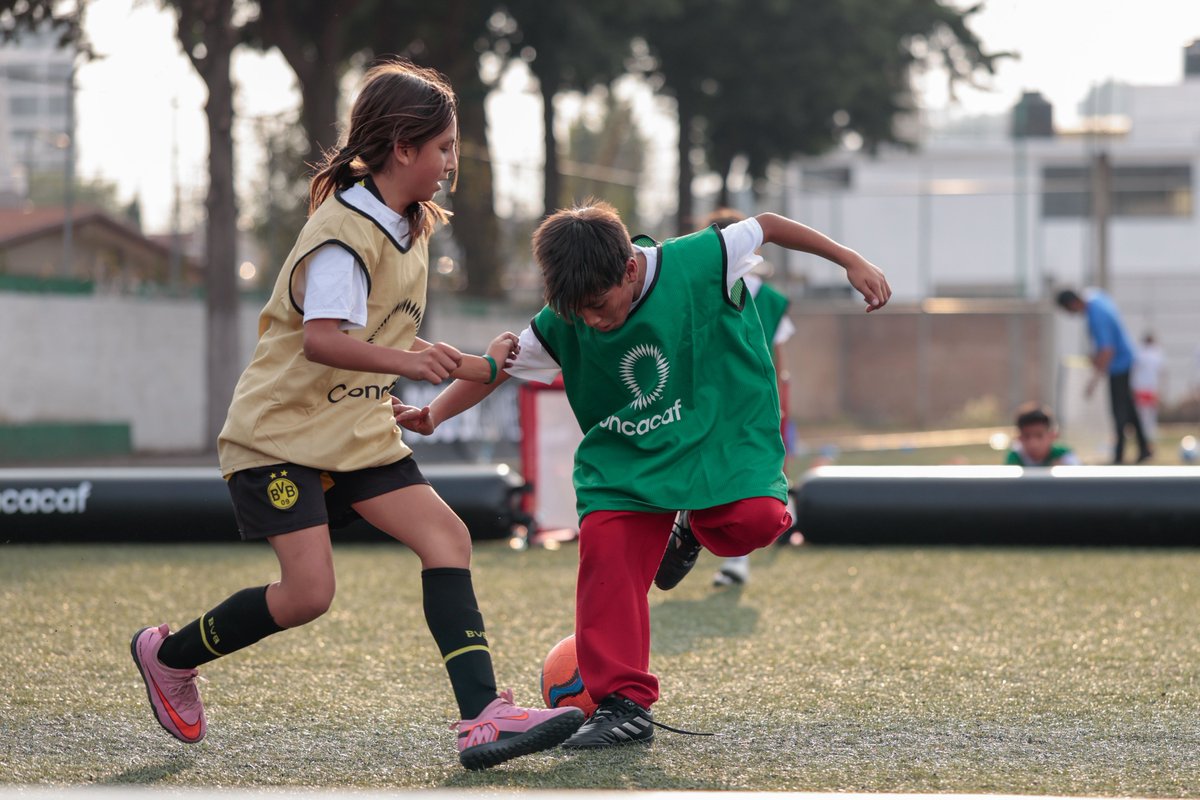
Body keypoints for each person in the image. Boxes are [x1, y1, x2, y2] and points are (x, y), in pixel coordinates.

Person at [129, 59, 583, 771]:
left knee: (447, 538)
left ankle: (483, 719)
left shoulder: (414, 227)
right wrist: (413, 365)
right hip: (278, 435)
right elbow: (324, 339)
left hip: (358, 434)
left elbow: (397, 339)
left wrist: (476, 367)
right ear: (403, 149)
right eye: (442, 149)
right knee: (309, 595)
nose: (450, 163)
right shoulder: (344, 233)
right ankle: (169, 656)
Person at [393, 200, 890, 748]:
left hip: (718, 436)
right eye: (577, 311)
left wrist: (850, 260)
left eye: (599, 306)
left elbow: (768, 226)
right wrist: (433, 414)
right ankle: (625, 704)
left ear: (630, 268)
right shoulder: (565, 318)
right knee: (606, 558)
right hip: (625, 461)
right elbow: (497, 370)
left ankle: (690, 528)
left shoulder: (705, 255)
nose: (591, 321)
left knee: (757, 521)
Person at [701, 208, 796, 588]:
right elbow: (780, 360)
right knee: (737, 478)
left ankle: (730, 555)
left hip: (721, 400)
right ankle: (721, 550)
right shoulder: (768, 298)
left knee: (734, 478)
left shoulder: (705, 289)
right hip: (743, 402)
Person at [1055, 287, 1152, 464]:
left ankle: (1119, 454)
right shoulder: (1095, 297)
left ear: (1072, 304)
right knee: (1129, 408)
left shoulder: (1096, 315)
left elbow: (1107, 350)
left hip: (1119, 364)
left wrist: (1093, 381)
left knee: (1119, 410)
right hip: (1125, 358)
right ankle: (1144, 448)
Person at [1004, 402, 1081, 466]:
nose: (1033, 443)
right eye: (1026, 436)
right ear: (1019, 438)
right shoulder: (1014, 458)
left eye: (1039, 436)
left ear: (1053, 436)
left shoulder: (1064, 455)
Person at [1131, 332, 1165, 443]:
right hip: (1150, 388)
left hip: (1141, 387)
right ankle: (1148, 434)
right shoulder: (1156, 353)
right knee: (1150, 414)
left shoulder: (1139, 353)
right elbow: (1162, 373)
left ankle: (1144, 434)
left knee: (1143, 414)